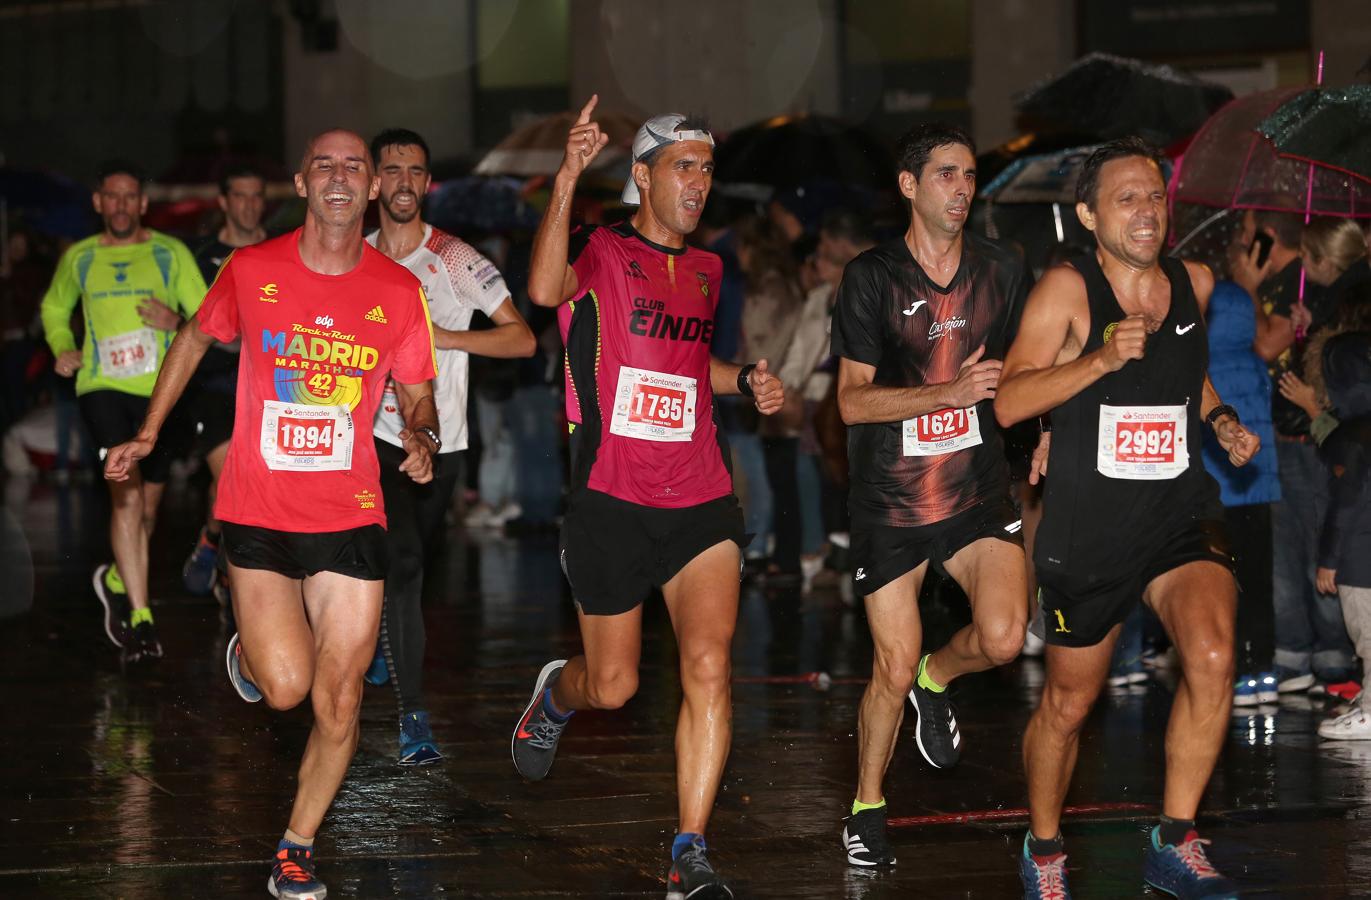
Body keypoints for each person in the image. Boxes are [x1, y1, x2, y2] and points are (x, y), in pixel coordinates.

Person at [104, 129, 439, 900]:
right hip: (258, 511)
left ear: (370, 187)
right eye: (325, 163)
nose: (341, 176)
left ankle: (296, 846)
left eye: (356, 165)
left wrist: (420, 434)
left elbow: (416, 388)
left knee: (342, 695)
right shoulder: (253, 271)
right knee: (286, 689)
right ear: (301, 181)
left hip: (351, 514)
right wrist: (150, 433)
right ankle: (250, 658)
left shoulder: (395, 290)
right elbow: (192, 339)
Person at [510, 97, 783, 900]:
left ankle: (688, 850)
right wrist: (565, 173)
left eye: (705, 168)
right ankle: (555, 698)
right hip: (610, 499)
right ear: (641, 176)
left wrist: (749, 382)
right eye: (681, 167)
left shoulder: (708, 270)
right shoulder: (598, 251)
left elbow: (688, 369)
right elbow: (540, 285)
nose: (698, 183)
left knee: (707, 666)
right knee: (615, 685)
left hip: (699, 495)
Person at [997, 138, 1259, 899]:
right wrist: (1100, 361)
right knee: (1068, 704)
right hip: (1091, 529)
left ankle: (1173, 840)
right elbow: (1010, 400)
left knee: (1212, 656)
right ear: (1087, 213)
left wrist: (1219, 421)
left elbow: (1189, 373)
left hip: (1177, 510)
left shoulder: (1195, 282)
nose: (1146, 212)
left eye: (1154, 197)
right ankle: (1043, 846)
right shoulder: (1066, 291)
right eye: (1125, 199)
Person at [830, 122, 1031, 868]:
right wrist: (945, 392)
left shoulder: (1002, 268)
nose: (961, 189)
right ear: (908, 185)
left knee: (1007, 637)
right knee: (887, 663)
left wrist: (1035, 424)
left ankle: (937, 677)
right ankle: (867, 802)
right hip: (891, 502)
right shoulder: (871, 277)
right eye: (945, 174)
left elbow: (1019, 369)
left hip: (975, 490)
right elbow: (850, 402)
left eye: (969, 175)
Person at [366, 127, 535, 764]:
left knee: (415, 561)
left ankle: (385, 648)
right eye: (393, 170)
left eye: (416, 171)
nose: (404, 182)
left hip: (444, 440)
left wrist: (442, 338)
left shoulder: (456, 260)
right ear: (375, 182)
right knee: (402, 564)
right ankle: (414, 717)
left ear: (426, 184)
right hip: (373, 436)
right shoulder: (355, 257)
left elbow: (522, 340)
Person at [40, 160, 208, 664]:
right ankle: (140, 617)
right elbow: (53, 308)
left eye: (128, 196)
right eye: (109, 196)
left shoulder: (168, 252)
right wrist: (62, 346)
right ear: (98, 203)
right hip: (102, 388)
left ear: (141, 203)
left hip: (160, 393)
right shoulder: (80, 258)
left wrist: (174, 318)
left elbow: (208, 316)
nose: (118, 205)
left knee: (148, 510)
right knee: (128, 501)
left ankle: (116, 575)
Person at [1232, 206, 1356, 694]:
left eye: (1247, 235)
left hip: (1312, 435)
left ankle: (1332, 654)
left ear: (1265, 237)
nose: (1242, 245)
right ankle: (1294, 652)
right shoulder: (1293, 286)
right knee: (1286, 549)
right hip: (1279, 431)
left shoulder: (1298, 281)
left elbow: (1266, 346)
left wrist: (1245, 285)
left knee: (1316, 547)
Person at [1200, 238, 1282, 707]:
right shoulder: (1256, 366)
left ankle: (1230, 670)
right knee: (1258, 578)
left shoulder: (1203, 373)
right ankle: (1262, 671)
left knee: (1220, 581)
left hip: (1218, 492)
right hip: (1258, 487)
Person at [182, 164, 271, 596]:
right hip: (214, 389)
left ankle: (219, 550)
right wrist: (176, 321)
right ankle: (220, 556)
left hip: (268, 390)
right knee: (232, 482)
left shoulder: (280, 252)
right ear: (224, 202)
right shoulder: (198, 257)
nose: (250, 205)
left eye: (257, 196)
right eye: (241, 195)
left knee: (255, 491)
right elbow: (190, 324)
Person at [1313, 323, 1371, 738]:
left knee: (1366, 636)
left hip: (1359, 562)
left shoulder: (1350, 440)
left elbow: (1346, 505)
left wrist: (1329, 560)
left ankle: (1370, 710)